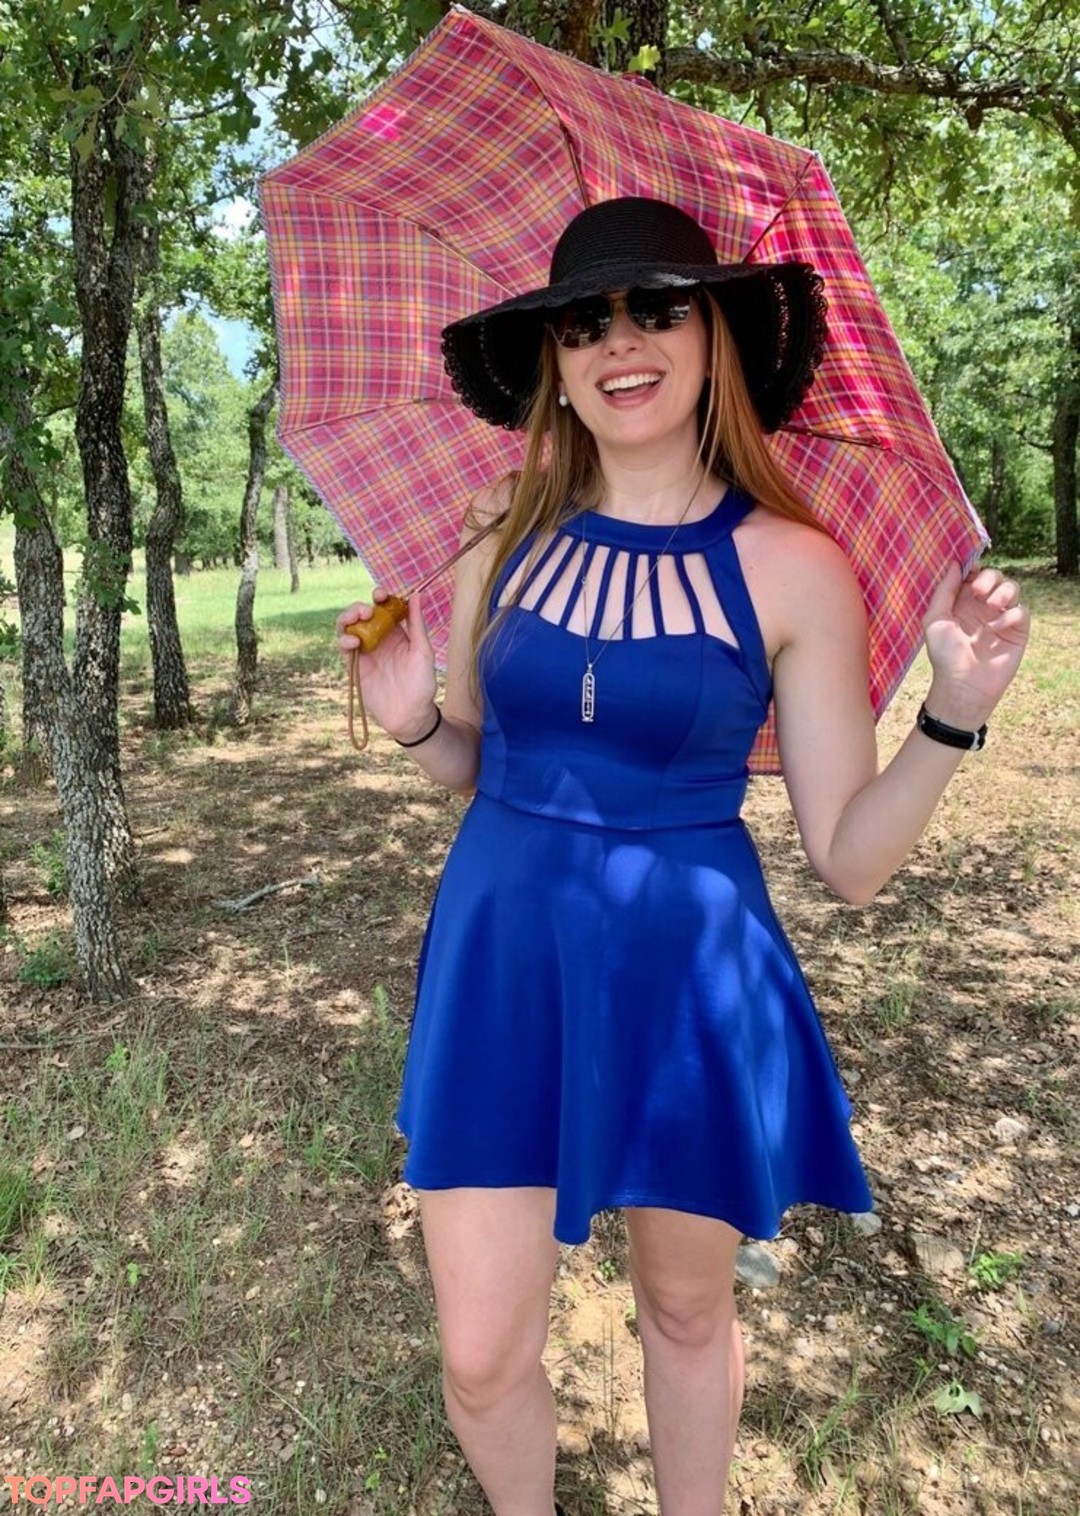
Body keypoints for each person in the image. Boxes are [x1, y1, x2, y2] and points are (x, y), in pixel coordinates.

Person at [336, 197, 1029, 1516]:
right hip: (502, 962)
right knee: (481, 1357)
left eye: (657, 308)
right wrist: (418, 719)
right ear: (552, 362)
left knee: (687, 1311)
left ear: (715, 338)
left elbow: (850, 858)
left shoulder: (794, 567)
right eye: (583, 322)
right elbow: (476, 759)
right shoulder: (500, 530)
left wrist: (953, 713)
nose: (620, 342)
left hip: (690, 976)